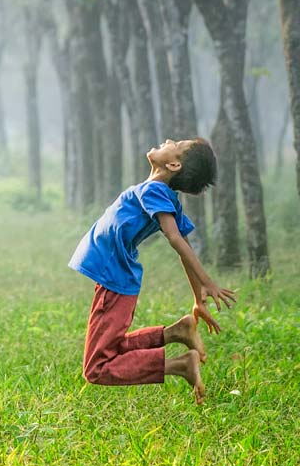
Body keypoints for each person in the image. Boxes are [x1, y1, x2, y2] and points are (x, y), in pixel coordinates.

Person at [69, 138, 236, 404]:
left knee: (97, 367)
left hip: (114, 279)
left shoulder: (156, 191)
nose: (169, 140)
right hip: (114, 277)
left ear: (173, 164)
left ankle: (180, 366)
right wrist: (197, 299)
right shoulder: (159, 193)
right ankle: (176, 333)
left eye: (177, 143)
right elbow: (184, 244)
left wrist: (206, 283)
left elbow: (176, 239)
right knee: (111, 348)